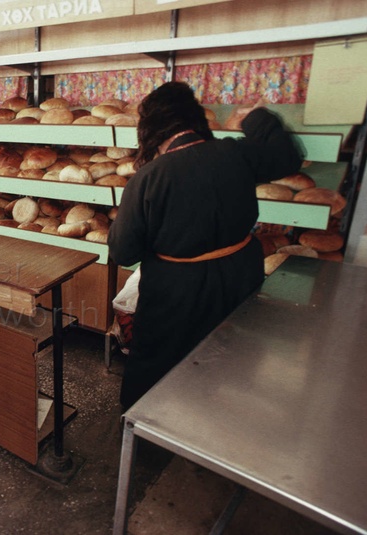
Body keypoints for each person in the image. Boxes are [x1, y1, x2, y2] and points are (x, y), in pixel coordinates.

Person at [107, 81, 302, 410]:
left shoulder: (148, 177)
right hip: (241, 276)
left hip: (177, 291)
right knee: (225, 356)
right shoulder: (235, 153)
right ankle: (209, 431)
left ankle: (144, 439)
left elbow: (122, 250)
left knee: (154, 362)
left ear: (152, 127)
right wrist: (256, 117)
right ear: (195, 119)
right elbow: (288, 156)